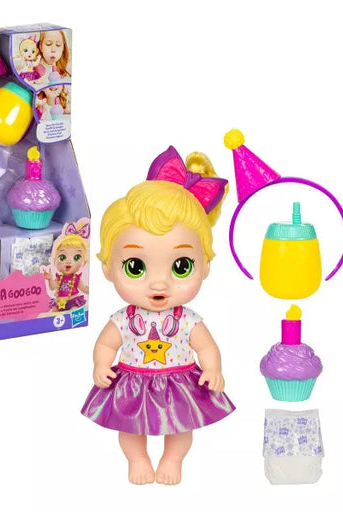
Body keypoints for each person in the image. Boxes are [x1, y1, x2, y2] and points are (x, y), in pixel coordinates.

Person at [81, 146, 235, 485]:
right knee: (128, 426)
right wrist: (101, 364)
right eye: (136, 267)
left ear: (205, 266)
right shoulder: (123, 319)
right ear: (107, 268)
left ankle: (172, 458)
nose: (159, 282)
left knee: (181, 427)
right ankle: (137, 459)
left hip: (178, 381)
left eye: (181, 266)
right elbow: (106, 344)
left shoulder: (188, 320)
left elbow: (206, 346)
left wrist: (213, 368)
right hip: (133, 380)